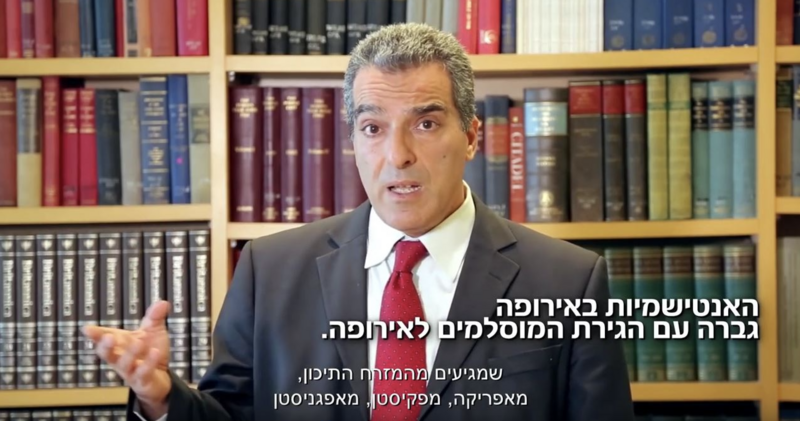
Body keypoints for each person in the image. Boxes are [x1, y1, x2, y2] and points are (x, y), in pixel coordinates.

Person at [82, 22, 634, 421]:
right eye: (373, 127)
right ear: (352, 142)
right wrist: (160, 397)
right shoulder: (269, 270)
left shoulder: (569, 281)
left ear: (470, 136)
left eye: (424, 123)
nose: (397, 155)